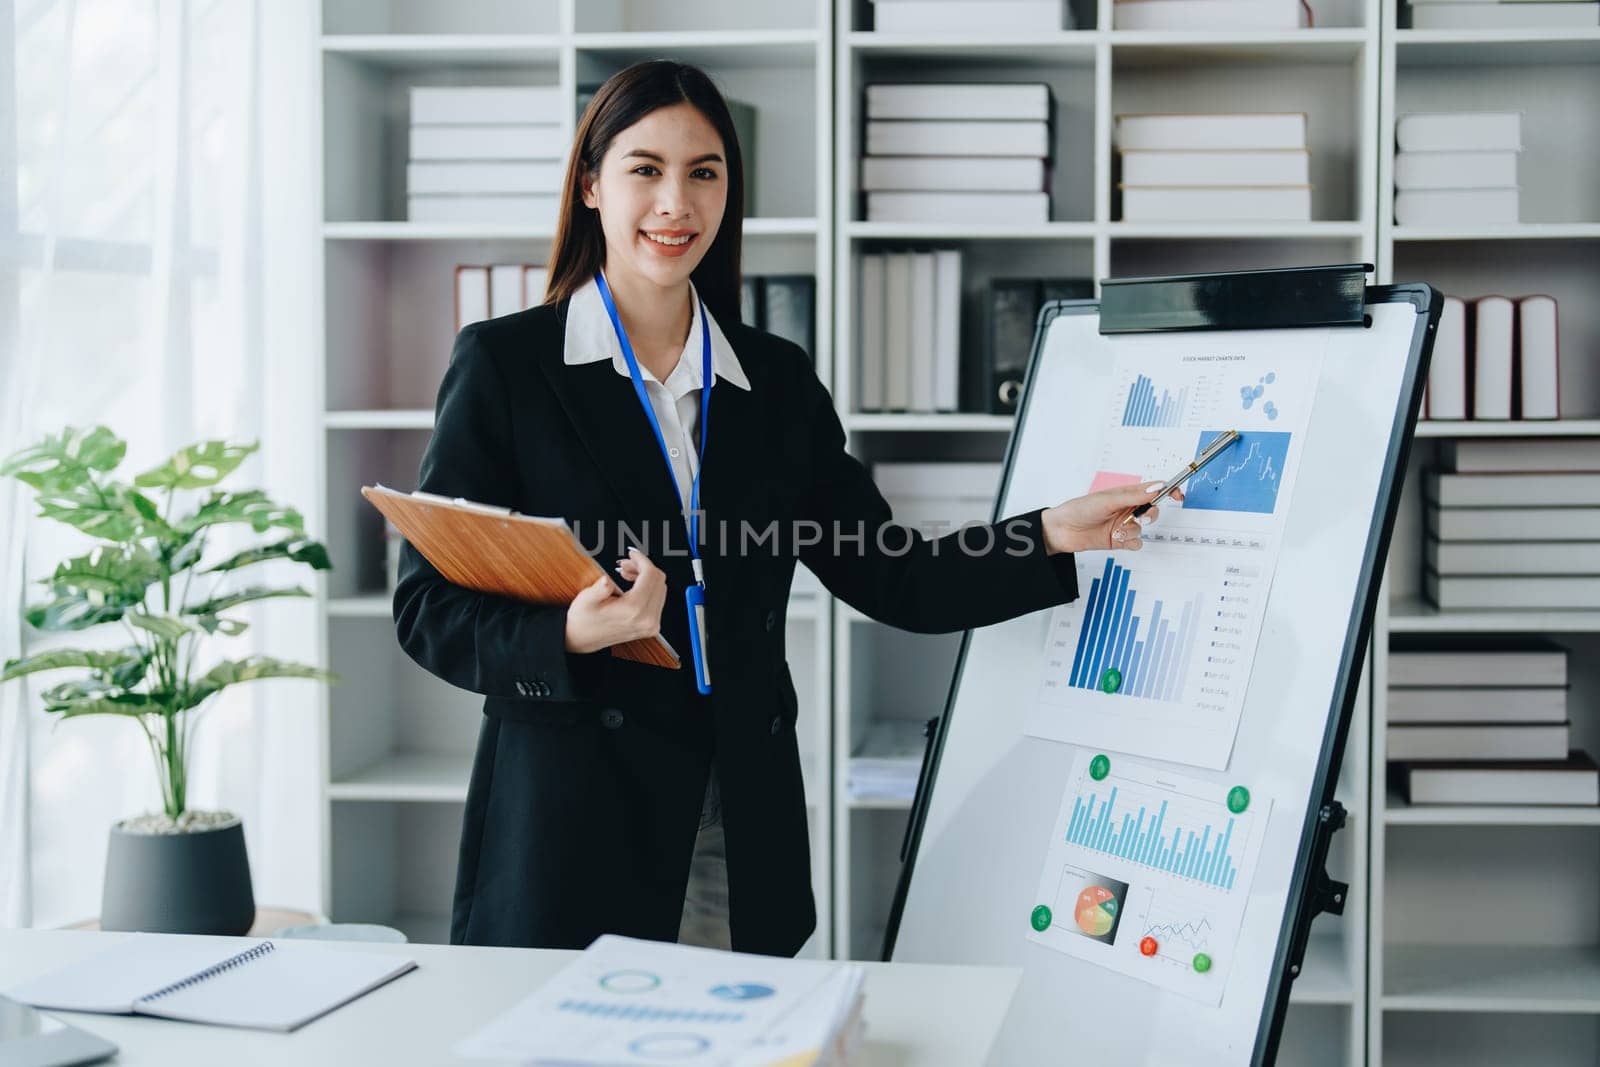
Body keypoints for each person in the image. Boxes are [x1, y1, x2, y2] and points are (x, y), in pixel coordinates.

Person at [392, 60, 1172, 957]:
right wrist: (569, 631)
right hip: (575, 816)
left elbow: (895, 574)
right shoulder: (505, 366)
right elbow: (428, 610)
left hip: (739, 809)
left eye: (705, 171)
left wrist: (1044, 534)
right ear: (591, 184)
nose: (675, 202)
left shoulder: (775, 381)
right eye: (645, 169)